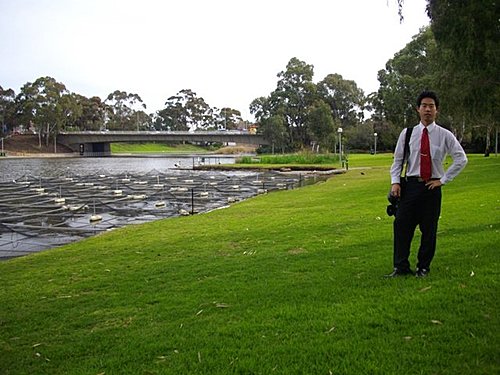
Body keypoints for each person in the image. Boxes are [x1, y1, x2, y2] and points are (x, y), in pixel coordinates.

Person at [386, 90, 468, 278]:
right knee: (401, 226)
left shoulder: (444, 135)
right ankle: (401, 267)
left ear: (436, 110)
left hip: (431, 188)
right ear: (418, 109)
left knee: (428, 229)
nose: (428, 109)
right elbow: (398, 160)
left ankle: (423, 267)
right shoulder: (407, 134)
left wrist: (443, 180)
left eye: (431, 106)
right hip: (410, 187)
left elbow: (461, 159)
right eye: (424, 106)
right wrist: (395, 182)